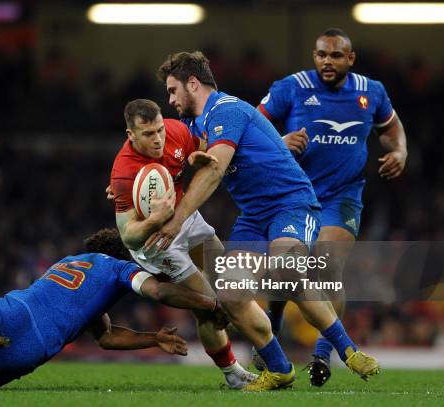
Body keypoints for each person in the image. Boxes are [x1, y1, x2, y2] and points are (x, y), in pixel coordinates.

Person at [153, 51, 380, 390]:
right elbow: (162, 157)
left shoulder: (225, 110)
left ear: (193, 84)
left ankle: (348, 350)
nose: (170, 99)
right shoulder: (192, 125)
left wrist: (177, 221)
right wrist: (125, 186)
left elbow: (214, 169)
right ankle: (279, 368)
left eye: (173, 91)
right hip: (254, 217)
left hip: (292, 204)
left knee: (288, 269)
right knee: (231, 290)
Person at [0, 229, 225, 389]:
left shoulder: (71, 262)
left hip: (14, 308)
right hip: (35, 346)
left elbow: (106, 335)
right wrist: (209, 302)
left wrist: (153, 337)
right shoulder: (120, 269)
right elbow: (160, 293)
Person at [257, 28, 407, 386]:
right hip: (295, 195)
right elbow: (250, 127)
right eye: (321, 55)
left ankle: (322, 355)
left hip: (342, 197)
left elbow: (392, 129)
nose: (327, 61)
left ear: (350, 59)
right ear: (314, 56)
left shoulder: (371, 92)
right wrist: (279, 140)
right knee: (285, 272)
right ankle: (272, 338)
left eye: (336, 55)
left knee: (326, 264)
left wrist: (399, 151)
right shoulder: (290, 87)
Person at [109, 99, 256, 390]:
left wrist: (198, 154)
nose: (158, 139)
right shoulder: (124, 173)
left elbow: (206, 144)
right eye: (148, 134)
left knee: (231, 283)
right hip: (156, 243)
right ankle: (233, 374)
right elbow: (129, 237)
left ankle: (264, 352)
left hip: (185, 216)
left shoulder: (175, 131)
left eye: (159, 130)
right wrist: (155, 220)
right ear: (131, 136)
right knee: (208, 307)